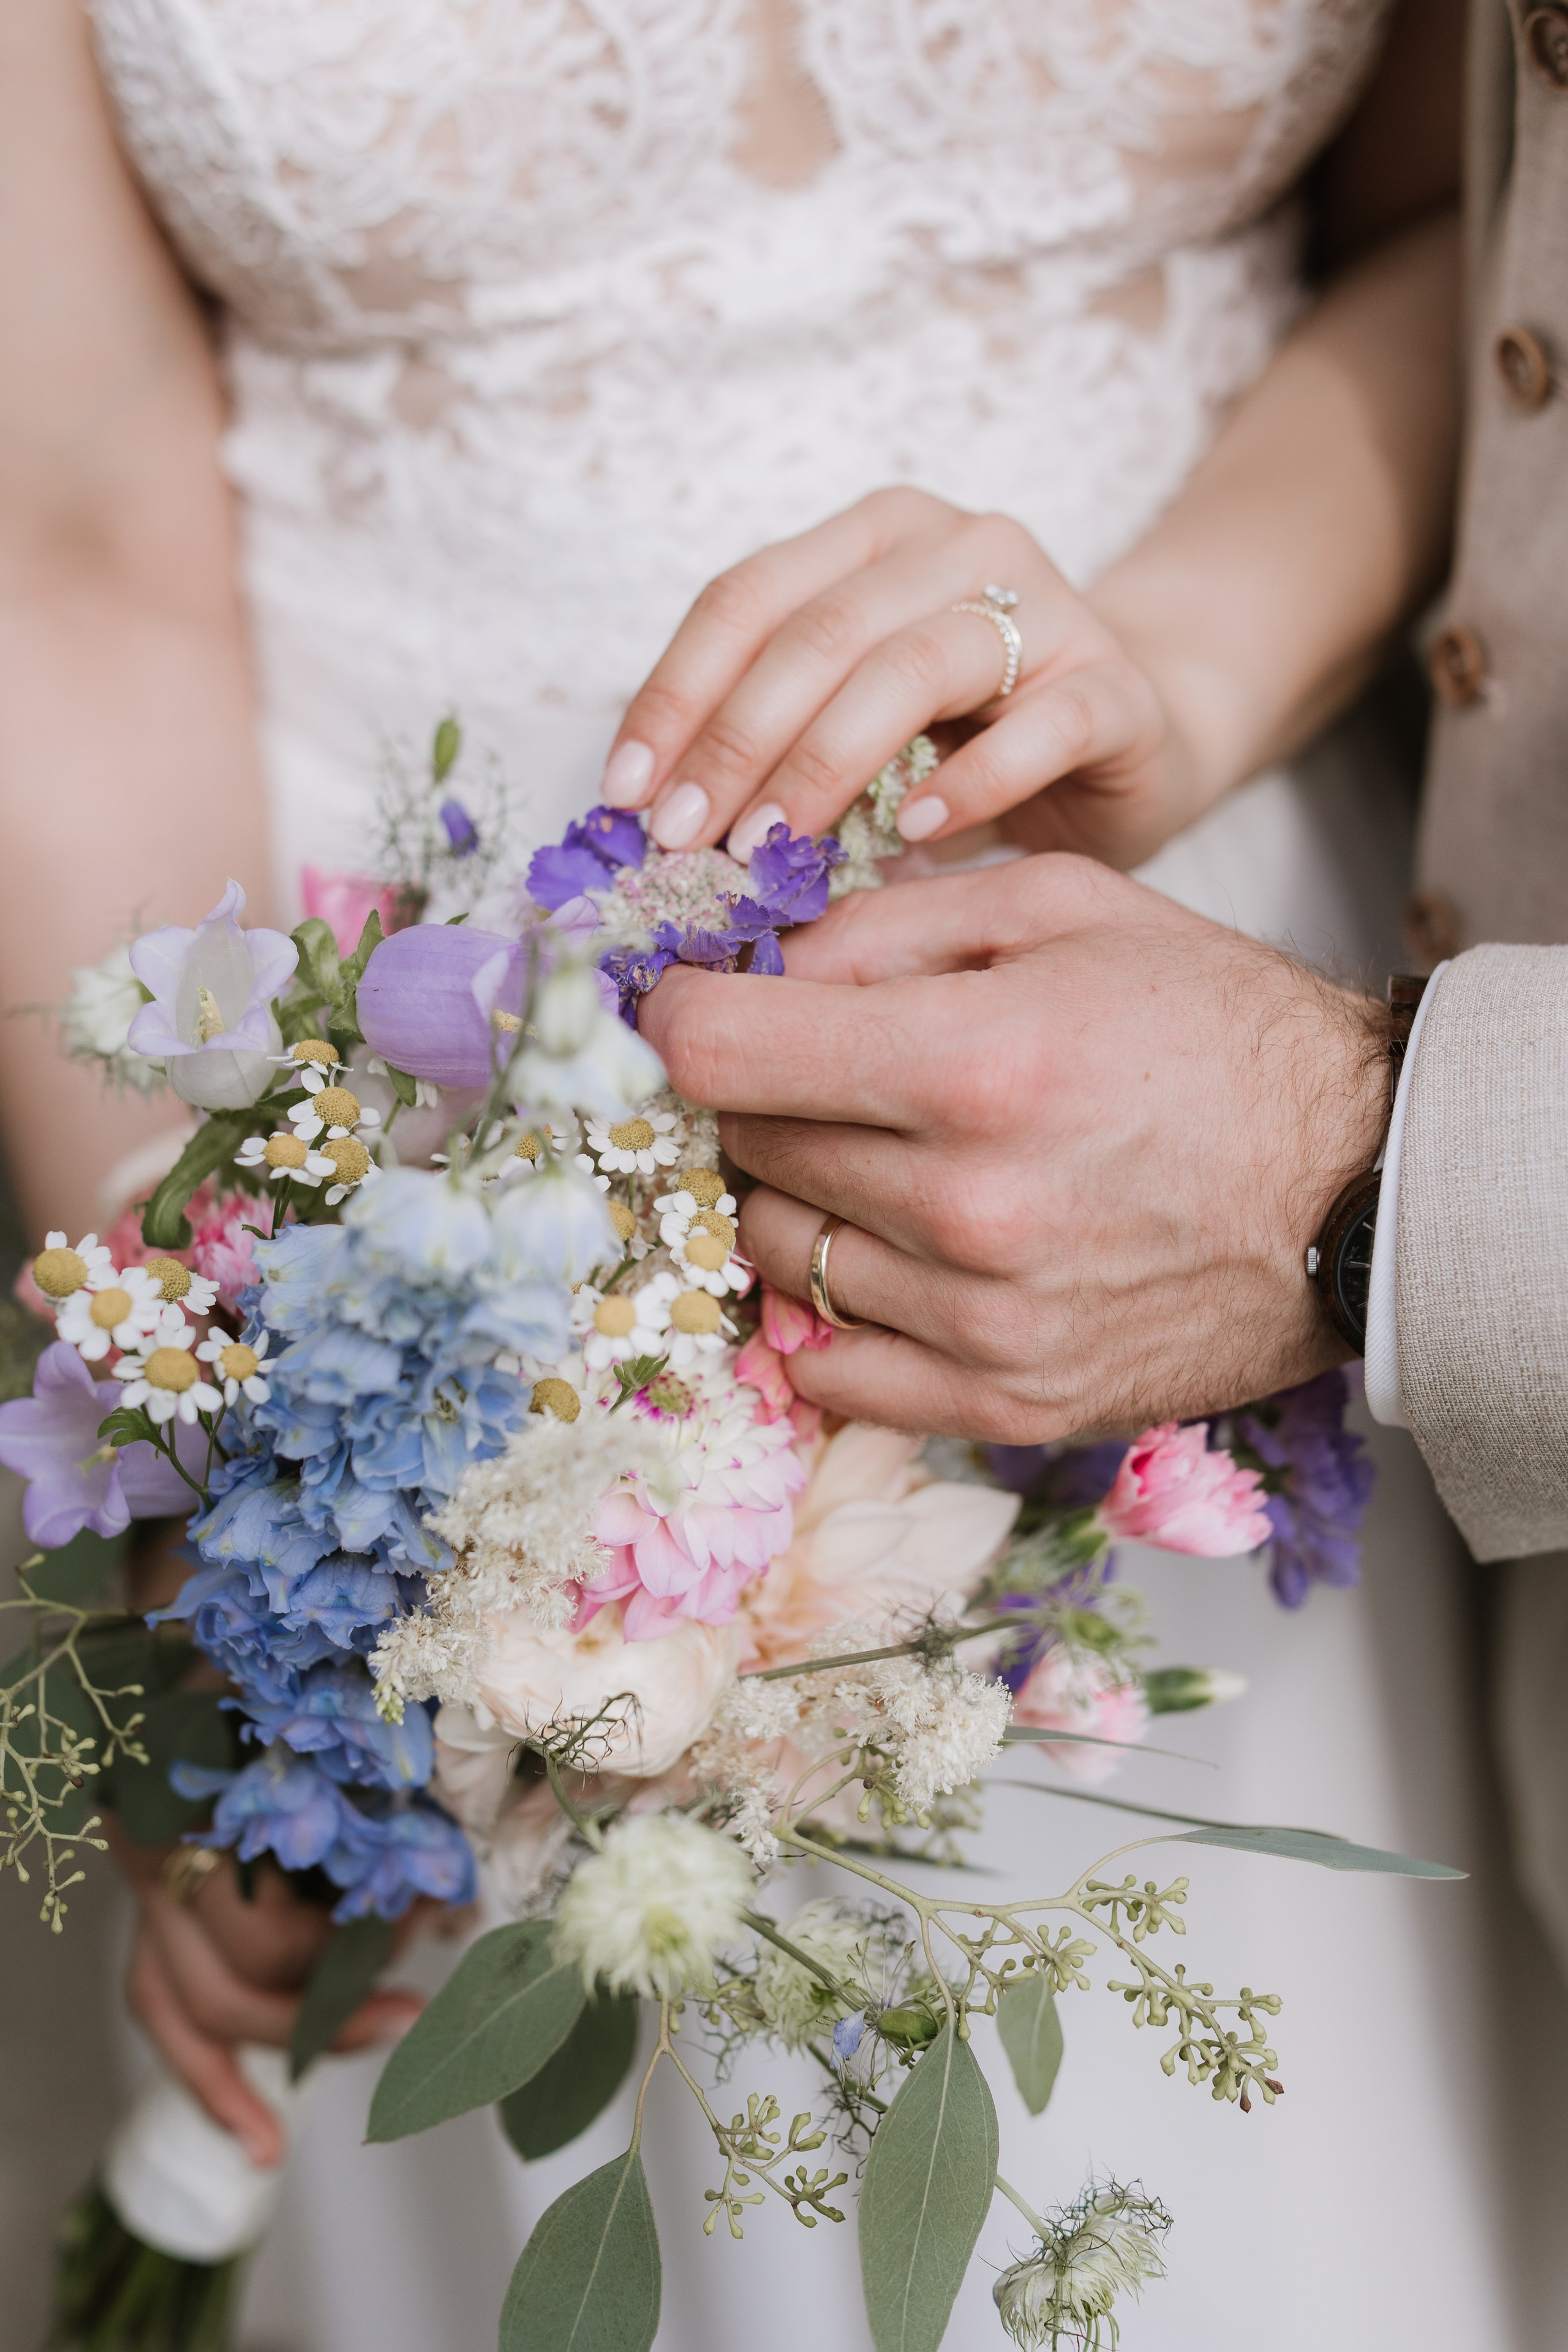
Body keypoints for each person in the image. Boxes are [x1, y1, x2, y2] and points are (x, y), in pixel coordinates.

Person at [0, 1, 1524, 2347]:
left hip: (1205, 1054)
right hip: (405, 1141)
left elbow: (1472, 239)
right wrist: (219, 1459)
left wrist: (1157, 678)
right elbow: (72, 542)